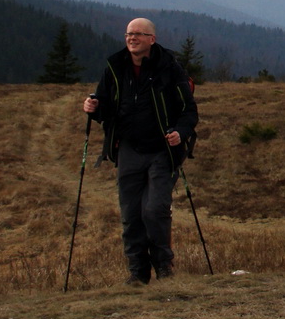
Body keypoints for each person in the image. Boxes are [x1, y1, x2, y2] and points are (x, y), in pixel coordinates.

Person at [83, 18, 199, 285]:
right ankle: (138, 272)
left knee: (154, 210)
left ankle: (163, 266)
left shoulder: (169, 68)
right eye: (128, 34)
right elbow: (104, 106)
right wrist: (93, 107)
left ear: (152, 39)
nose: (132, 38)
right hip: (128, 149)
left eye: (138, 34)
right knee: (131, 213)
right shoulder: (115, 67)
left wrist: (180, 133)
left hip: (162, 150)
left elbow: (189, 110)